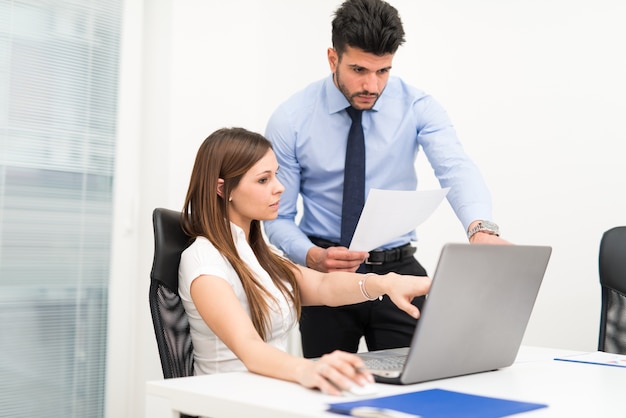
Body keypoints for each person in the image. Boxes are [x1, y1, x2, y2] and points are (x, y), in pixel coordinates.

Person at [264, 0, 510, 359]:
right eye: (359, 69)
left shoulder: (417, 106)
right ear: (333, 59)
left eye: (383, 71)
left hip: (397, 270)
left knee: (420, 386)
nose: (371, 84)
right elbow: (278, 219)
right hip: (324, 273)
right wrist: (312, 255)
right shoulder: (292, 119)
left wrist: (481, 228)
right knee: (323, 395)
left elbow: (455, 166)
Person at [177, 127, 431, 395]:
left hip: (273, 394)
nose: (280, 188)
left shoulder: (262, 257)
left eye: (276, 175)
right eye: (263, 180)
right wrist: (309, 369)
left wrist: (387, 283)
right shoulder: (203, 261)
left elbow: (324, 286)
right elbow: (249, 347)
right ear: (222, 189)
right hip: (230, 401)